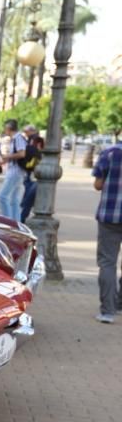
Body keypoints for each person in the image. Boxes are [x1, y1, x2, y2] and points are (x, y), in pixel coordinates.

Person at [91, 138, 122, 323]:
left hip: (109, 216)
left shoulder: (109, 153)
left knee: (108, 263)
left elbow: (98, 185)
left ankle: (108, 311)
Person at [0, 119, 28, 222]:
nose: (4, 131)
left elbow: (22, 153)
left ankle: (8, 222)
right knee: (14, 199)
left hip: (15, 172)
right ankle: (15, 222)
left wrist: (8, 156)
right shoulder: (16, 138)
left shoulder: (18, 138)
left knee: (2, 197)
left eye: (5, 128)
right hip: (17, 171)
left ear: (9, 128)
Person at [20, 125, 42, 223]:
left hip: (33, 172)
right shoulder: (32, 140)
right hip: (32, 171)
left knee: (28, 198)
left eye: (26, 131)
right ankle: (23, 216)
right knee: (28, 197)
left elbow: (35, 156)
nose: (25, 133)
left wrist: (27, 166)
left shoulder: (35, 140)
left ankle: (22, 218)